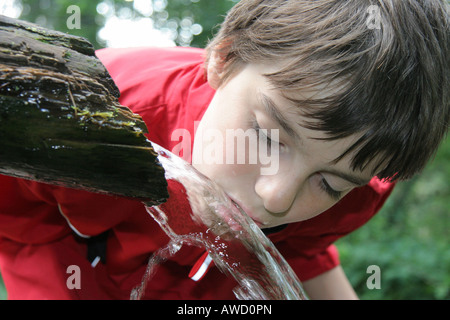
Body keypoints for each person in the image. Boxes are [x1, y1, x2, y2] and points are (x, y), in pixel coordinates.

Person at [0, 0, 448, 299]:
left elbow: (302, 251)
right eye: (269, 138)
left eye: (328, 183)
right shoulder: (85, 114)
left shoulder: (362, 187)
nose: (278, 197)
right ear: (224, 59)